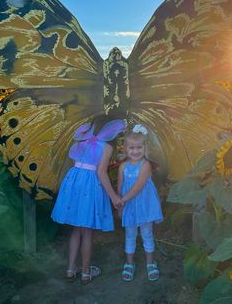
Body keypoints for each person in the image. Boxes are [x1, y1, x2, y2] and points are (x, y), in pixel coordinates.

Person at [51, 118, 125, 284]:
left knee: (76, 230)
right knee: (87, 232)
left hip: (73, 184)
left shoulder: (79, 143)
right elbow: (101, 173)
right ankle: (85, 272)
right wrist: (113, 196)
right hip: (90, 187)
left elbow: (76, 165)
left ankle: (70, 269)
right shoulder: (106, 147)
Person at [117, 124, 164, 282]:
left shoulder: (146, 166)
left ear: (145, 147)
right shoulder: (123, 166)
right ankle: (129, 263)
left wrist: (122, 200)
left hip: (144, 205)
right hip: (129, 206)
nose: (135, 151)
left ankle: (150, 263)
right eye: (132, 148)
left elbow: (138, 187)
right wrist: (119, 204)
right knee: (130, 235)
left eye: (139, 147)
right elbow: (120, 186)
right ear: (125, 148)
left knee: (146, 233)